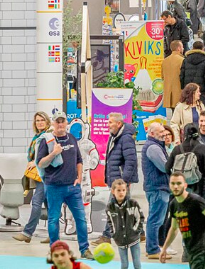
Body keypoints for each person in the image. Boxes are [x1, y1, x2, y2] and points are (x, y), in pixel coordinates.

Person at [36, 112, 93, 260]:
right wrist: (54, 153)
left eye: (63, 122)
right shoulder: (47, 141)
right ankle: (55, 251)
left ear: (66, 123)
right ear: (53, 124)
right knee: (54, 219)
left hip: (73, 187)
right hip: (54, 187)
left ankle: (85, 249)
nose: (60, 124)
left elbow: (79, 160)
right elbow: (41, 163)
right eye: (58, 122)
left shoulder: (72, 138)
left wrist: (79, 177)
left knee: (81, 219)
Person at [160, 173, 205, 268]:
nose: (175, 186)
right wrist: (164, 248)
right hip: (190, 250)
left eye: (179, 183)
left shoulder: (196, 201)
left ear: (185, 185)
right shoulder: (174, 204)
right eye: (173, 183)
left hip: (202, 250)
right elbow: (174, 228)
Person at [97, 113, 138, 245]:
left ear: (119, 124)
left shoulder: (125, 138)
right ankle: (140, 233)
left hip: (120, 182)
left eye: (110, 122)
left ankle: (106, 236)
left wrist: (124, 182)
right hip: (116, 181)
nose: (107, 125)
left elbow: (131, 161)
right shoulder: (115, 137)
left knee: (112, 208)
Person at [15, 111, 51, 244]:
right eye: (37, 120)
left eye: (42, 120)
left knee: (36, 202)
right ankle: (54, 235)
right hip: (41, 174)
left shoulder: (47, 136)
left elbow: (49, 155)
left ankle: (27, 232)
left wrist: (35, 162)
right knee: (49, 205)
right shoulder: (38, 137)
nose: (40, 122)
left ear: (47, 122)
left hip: (46, 175)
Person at [166, 123, 205, 205]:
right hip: (201, 189)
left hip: (182, 189)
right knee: (203, 214)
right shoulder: (203, 148)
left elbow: (167, 167)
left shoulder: (177, 149)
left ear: (183, 133)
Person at [141, 123, 171, 261]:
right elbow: (165, 166)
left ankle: (152, 247)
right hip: (158, 187)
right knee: (155, 220)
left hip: (155, 187)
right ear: (152, 133)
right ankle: (152, 249)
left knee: (155, 218)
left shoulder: (155, 146)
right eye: (160, 132)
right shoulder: (153, 147)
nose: (163, 134)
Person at [106, 179, 144, 269]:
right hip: (120, 240)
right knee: (124, 265)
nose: (121, 193)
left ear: (126, 190)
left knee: (137, 263)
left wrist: (136, 230)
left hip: (134, 238)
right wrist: (114, 234)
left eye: (123, 190)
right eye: (118, 190)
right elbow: (110, 222)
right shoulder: (110, 207)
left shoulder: (133, 203)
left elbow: (140, 218)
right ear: (113, 191)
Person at [162, 41, 185, 110]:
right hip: (179, 91)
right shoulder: (182, 60)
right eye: (182, 47)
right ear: (178, 48)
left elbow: (162, 76)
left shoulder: (165, 61)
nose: (183, 48)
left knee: (174, 114)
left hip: (169, 92)